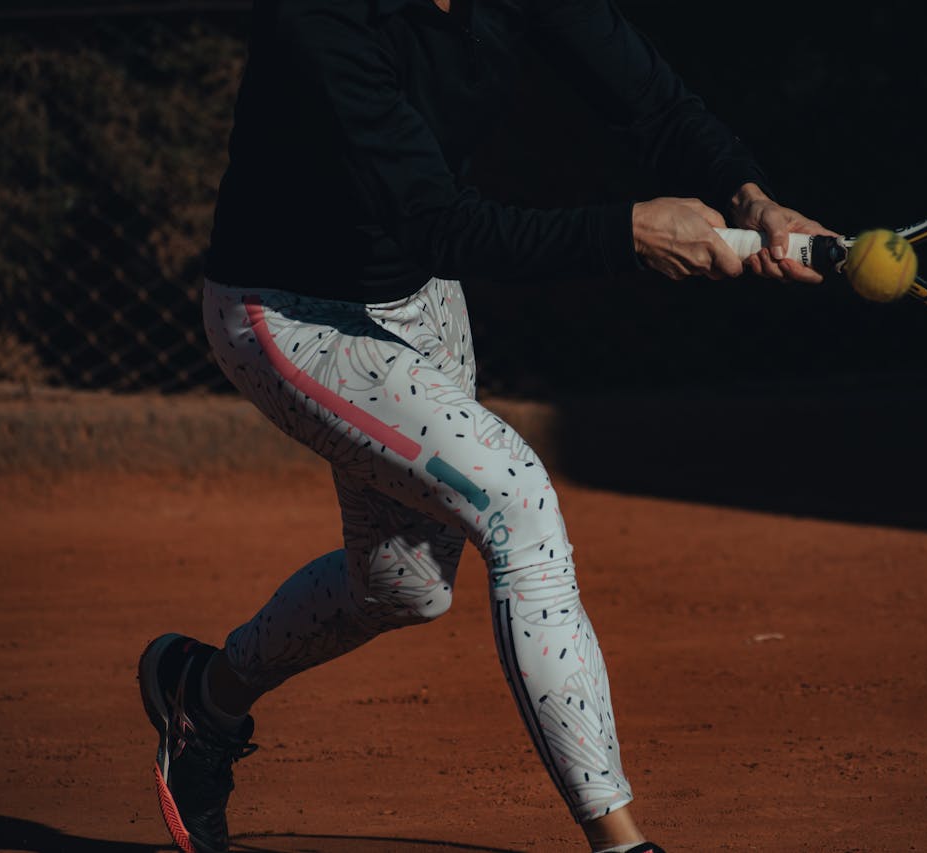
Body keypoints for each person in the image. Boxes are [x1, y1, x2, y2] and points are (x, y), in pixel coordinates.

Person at [137, 1, 832, 851]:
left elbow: (649, 97)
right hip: (292, 312)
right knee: (519, 502)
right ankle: (622, 842)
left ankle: (201, 696)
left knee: (402, 586)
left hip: (417, 293)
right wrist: (627, 234)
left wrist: (752, 199)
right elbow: (441, 220)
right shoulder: (318, 21)